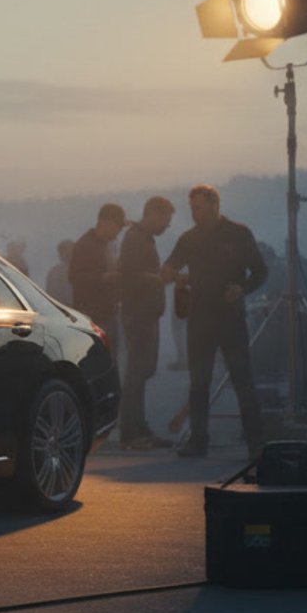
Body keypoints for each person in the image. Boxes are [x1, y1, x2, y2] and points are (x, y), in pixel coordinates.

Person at [162, 184, 268, 457]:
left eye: (198, 207)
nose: (195, 213)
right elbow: (169, 266)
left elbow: (260, 271)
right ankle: (199, 440)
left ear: (214, 204)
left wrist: (242, 288)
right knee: (199, 382)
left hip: (231, 318)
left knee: (242, 380)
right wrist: (174, 274)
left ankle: (256, 443)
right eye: (192, 208)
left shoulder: (239, 234)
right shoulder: (189, 239)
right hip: (200, 319)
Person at [117, 197, 175, 449]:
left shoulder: (142, 238)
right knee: (137, 373)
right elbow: (129, 274)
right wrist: (160, 279)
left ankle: (138, 427)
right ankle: (132, 432)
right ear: (153, 214)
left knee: (142, 371)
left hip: (146, 313)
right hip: (139, 314)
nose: (166, 227)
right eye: (165, 221)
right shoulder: (135, 238)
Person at [69, 203, 126, 344]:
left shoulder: (107, 245)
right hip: (93, 317)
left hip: (108, 313)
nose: (118, 233)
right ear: (106, 224)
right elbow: (75, 278)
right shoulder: (85, 245)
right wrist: (103, 277)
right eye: (117, 228)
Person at [45, 239, 75, 304]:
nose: (69, 254)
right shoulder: (55, 273)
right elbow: (52, 297)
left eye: (71, 251)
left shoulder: (84, 271)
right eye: (66, 251)